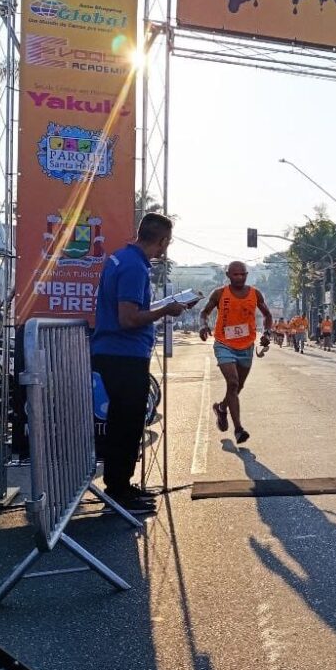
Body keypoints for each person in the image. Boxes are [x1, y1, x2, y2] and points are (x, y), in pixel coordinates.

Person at [91, 213, 193, 510]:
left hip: (117, 352)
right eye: (167, 242)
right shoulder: (135, 267)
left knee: (124, 423)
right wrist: (166, 311)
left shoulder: (121, 259)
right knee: (127, 424)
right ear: (162, 241)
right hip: (123, 355)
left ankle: (120, 485)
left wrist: (158, 308)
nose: (165, 248)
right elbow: (129, 318)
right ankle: (119, 491)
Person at [198, 262, 272, 445]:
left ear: (247, 275)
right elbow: (204, 312)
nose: (239, 278)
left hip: (246, 346)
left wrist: (267, 332)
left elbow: (268, 316)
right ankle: (238, 429)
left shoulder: (255, 293)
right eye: (235, 275)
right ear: (228, 275)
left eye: (242, 274)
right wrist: (203, 325)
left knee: (237, 388)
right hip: (224, 344)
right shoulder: (220, 293)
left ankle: (222, 408)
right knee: (233, 382)